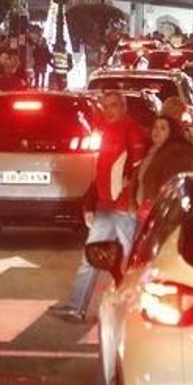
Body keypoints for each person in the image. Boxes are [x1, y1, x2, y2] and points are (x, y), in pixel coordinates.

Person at [53, 90, 150, 323]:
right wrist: (90, 202)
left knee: (130, 259)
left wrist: (130, 199)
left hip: (123, 208)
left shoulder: (132, 131)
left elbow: (138, 170)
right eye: (105, 106)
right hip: (106, 205)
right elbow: (101, 173)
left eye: (113, 105)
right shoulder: (105, 131)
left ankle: (136, 311)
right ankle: (76, 308)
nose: (108, 110)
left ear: (124, 107)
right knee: (92, 255)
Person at [136, 115, 193, 213]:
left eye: (163, 128)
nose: (157, 131)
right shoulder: (152, 152)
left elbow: (173, 185)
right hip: (146, 210)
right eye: (155, 127)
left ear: (172, 132)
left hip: (160, 212)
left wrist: (160, 205)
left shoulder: (177, 154)